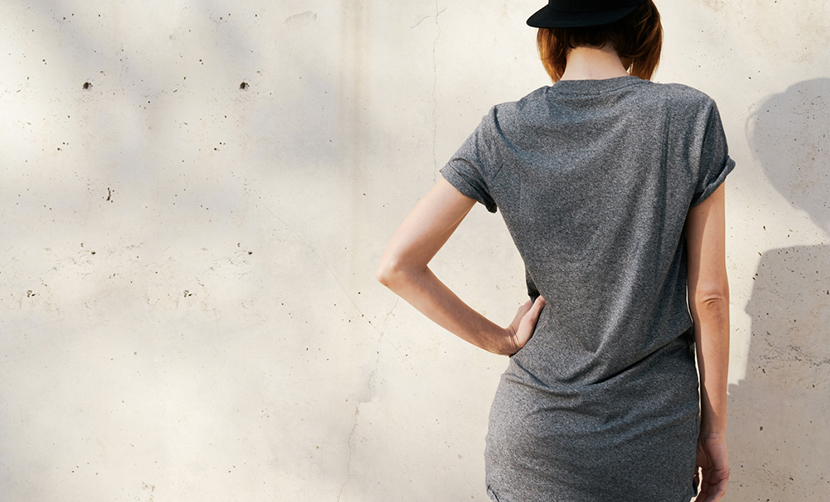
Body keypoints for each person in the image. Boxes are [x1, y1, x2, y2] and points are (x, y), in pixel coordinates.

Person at [376, 0, 732, 500]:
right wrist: (712, 432)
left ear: (553, 35)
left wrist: (499, 339)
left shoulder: (504, 128)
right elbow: (710, 297)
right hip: (649, 437)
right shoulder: (689, 115)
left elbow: (398, 265)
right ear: (642, 28)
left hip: (535, 436)